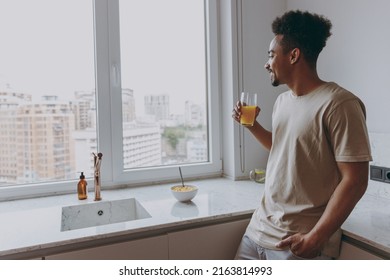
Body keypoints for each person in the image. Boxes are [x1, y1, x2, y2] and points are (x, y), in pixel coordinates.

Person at [232, 10, 372, 260]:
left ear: (294, 55)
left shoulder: (340, 104)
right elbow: (282, 147)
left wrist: (316, 238)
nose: (267, 63)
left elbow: (356, 181)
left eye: (272, 55)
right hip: (257, 233)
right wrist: (252, 126)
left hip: (297, 244)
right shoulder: (282, 101)